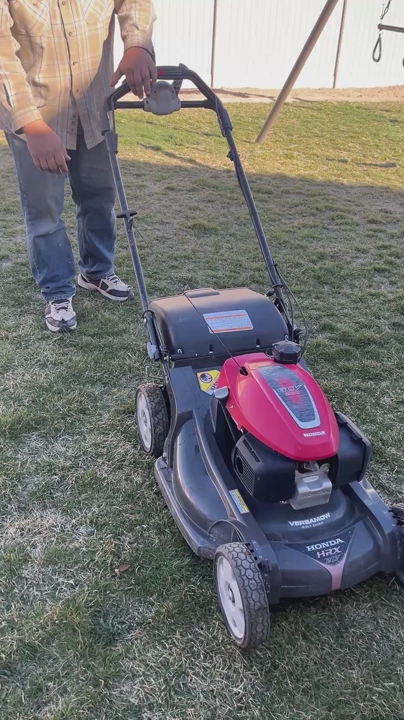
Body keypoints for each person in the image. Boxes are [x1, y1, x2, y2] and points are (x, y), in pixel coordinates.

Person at [0, 0, 157, 332]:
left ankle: (97, 272)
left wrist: (138, 43)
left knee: (99, 196)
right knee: (45, 212)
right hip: (37, 114)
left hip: (94, 107)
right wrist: (31, 124)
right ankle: (57, 291)